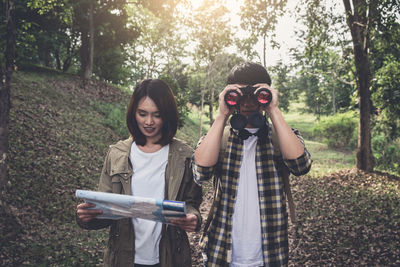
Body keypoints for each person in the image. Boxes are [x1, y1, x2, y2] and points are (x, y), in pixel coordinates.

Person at [193, 62, 312, 267]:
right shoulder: (218, 138)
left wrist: (273, 110)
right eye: (240, 95)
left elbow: (301, 166)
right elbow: (200, 173)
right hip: (221, 253)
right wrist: (222, 115)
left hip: (269, 255)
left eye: (256, 94)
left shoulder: (280, 137)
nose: (248, 102)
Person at [76, 79, 202, 267]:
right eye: (142, 114)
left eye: (157, 115)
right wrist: (87, 217)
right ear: (133, 113)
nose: (149, 122)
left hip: (170, 257)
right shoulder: (117, 153)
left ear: (167, 116)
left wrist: (193, 219)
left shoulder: (184, 155)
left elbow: (191, 203)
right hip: (122, 258)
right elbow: (106, 204)